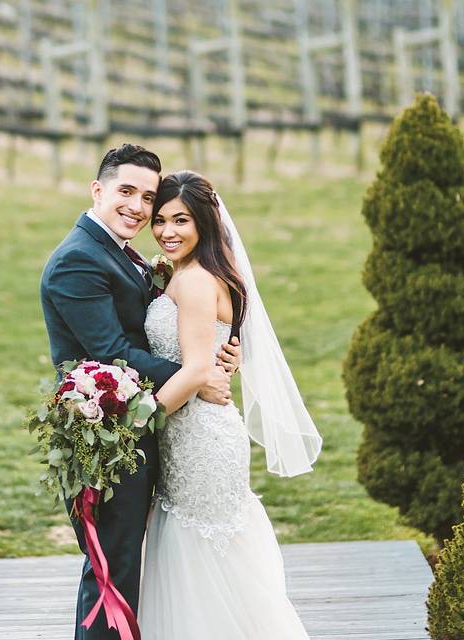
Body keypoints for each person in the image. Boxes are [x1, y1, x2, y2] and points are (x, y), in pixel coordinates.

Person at [39, 145, 241, 640]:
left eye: (147, 196)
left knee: (127, 565)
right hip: (108, 437)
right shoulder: (77, 261)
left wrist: (216, 356)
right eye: (126, 191)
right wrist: (196, 373)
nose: (137, 206)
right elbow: (112, 352)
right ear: (98, 189)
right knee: (113, 572)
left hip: (145, 430)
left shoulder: (121, 251)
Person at [138, 170, 323, 639]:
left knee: (205, 560)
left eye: (181, 220)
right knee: (198, 557)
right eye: (159, 220)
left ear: (203, 222)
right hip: (194, 430)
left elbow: (199, 369)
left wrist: (137, 421)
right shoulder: (187, 273)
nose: (167, 232)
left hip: (200, 437)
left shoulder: (197, 281)